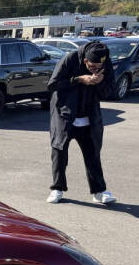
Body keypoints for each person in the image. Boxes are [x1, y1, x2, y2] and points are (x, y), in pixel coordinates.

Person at [46, 41, 117, 204]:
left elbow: (109, 92)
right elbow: (52, 84)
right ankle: (57, 188)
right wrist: (79, 79)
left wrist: (100, 83)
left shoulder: (104, 64)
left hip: (89, 117)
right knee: (59, 151)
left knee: (93, 153)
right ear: (85, 61)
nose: (96, 69)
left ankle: (99, 191)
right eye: (92, 66)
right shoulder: (69, 59)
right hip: (64, 115)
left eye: (99, 66)